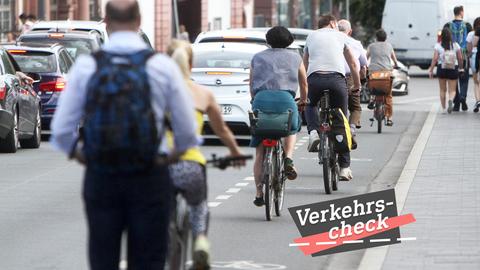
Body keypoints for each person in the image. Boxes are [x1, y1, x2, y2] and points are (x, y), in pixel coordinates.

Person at [50, 1, 199, 269]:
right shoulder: (162, 66)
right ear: (139, 20)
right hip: (149, 174)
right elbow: (187, 131)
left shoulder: (86, 66)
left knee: (103, 256)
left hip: (102, 174)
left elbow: (61, 131)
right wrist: (169, 156)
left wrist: (82, 155)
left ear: (105, 22)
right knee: (149, 258)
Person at [166, 39, 245, 269]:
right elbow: (222, 130)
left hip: (163, 166)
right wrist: (235, 152)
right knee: (198, 206)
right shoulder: (203, 94)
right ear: (190, 64)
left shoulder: (156, 91)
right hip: (192, 165)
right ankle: (200, 240)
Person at [250, 26, 308, 206]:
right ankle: (288, 158)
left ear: (268, 40)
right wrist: (303, 101)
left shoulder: (257, 57)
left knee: (260, 150)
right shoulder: (296, 58)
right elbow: (304, 84)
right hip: (286, 101)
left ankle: (259, 192)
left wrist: (255, 100)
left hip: (261, 100)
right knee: (292, 127)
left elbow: (252, 84)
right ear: (289, 40)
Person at [303, 15, 361, 181]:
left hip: (315, 78)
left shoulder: (311, 36)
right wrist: (356, 85)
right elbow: (353, 64)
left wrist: (304, 86)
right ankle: (344, 167)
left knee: (311, 104)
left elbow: (304, 63)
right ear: (332, 23)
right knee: (342, 120)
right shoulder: (341, 36)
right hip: (336, 80)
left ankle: (313, 132)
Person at [338, 19, 367, 131]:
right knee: (355, 108)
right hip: (350, 78)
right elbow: (363, 64)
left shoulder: (332, 42)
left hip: (331, 76)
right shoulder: (356, 43)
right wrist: (361, 81)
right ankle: (352, 128)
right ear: (350, 32)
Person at [428, 27, 464, 114]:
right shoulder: (456, 45)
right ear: (451, 35)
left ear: (442, 36)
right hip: (453, 69)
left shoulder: (438, 45)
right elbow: (460, 58)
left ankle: (444, 108)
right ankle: (451, 100)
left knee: (442, 89)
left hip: (442, 69)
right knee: (452, 90)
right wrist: (461, 68)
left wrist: (431, 69)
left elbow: (435, 58)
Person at [366, 29, 398, 126]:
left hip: (374, 73)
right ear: (386, 38)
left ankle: (371, 99)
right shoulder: (389, 46)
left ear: (376, 38)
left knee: (370, 84)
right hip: (386, 73)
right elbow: (394, 59)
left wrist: (366, 66)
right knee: (388, 95)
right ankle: (389, 118)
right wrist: (396, 65)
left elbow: (366, 57)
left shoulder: (371, 46)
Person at [444, 5, 472, 111]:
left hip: (451, 56)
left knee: (453, 79)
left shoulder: (447, 25)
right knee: (464, 79)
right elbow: (470, 41)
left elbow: (444, 41)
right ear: (461, 12)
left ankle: (456, 103)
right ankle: (463, 97)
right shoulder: (468, 26)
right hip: (464, 55)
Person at [467, 17, 480, 112]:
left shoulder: (471, 33)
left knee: (476, 82)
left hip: (475, 57)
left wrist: (469, 54)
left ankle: (478, 100)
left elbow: (470, 47)